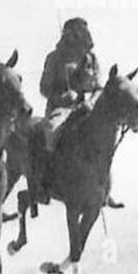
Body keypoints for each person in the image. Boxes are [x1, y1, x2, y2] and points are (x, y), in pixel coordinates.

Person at [35, 17, 120, 207]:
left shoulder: (91, 58)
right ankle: (45, 182)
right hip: (62, 109)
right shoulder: (54, 58)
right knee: (52, 131)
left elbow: (99, 87)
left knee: (103, 138)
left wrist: (90, 102)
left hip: (87, 107)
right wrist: (64, 96)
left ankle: (104, 187)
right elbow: (44, 88)